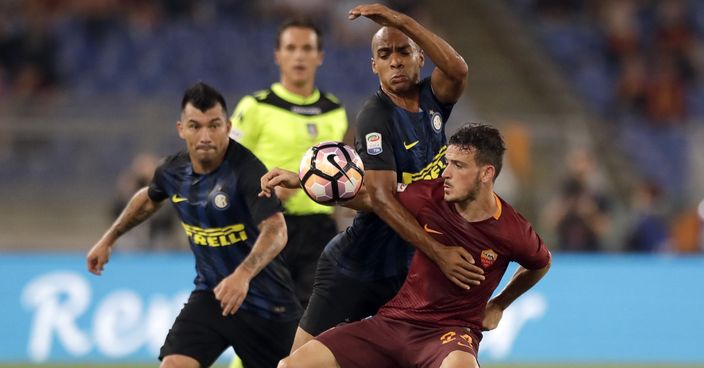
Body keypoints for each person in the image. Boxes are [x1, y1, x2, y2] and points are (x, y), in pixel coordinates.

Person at [274, 3, 486, 352]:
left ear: (420, 57)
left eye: (404, 51)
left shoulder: (433, 102)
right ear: (374, 65)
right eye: (384, 54)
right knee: (297, 362)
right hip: (353, 268)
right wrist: (438, 253)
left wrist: (400, 22)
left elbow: (458, 70)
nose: (395, 61)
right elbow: (382, 199)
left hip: (403, 272)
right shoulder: (376, 118)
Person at [272, 123, 552, 368]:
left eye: (458, 165)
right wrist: (307, 181)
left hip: (449, 334)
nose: (446, 173)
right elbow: (371, 198)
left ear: (486, 174)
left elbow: (541, 263)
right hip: (394, 323)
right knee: (291, 364)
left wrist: (500, 304)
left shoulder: (513, 230)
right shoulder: (430, 197)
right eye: (447, 162)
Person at [86, 82, 302, 368]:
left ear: (227, 126)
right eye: (195, 126)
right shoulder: (172, 170)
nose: (205, 135)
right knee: (174, 364)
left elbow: (276, 230)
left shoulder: (247, 171)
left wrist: (243, 275)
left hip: (266, 303)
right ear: (181, 129)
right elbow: (149, 198)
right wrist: (109, 238)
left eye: (213, 126)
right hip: (211, 296)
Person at [230, 17, 348, 309]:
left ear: (319, 56)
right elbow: (225, 170)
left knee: (312, 327)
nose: (299, 55)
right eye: (291, 48)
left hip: (320, 231)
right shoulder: (255, 107)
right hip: (268, 226)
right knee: (262, 329)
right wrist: (263, 195)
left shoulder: (334, 110)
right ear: (278, 55)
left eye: (307, 48)